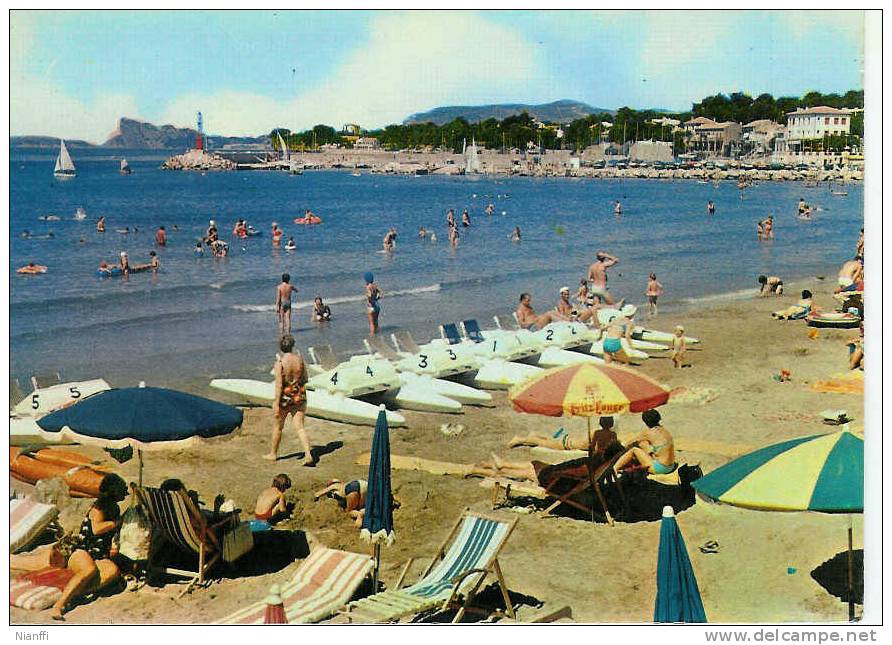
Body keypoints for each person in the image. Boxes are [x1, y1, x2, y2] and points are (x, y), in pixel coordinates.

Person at [11, 474, 128, 620]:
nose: (124, 493)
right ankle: (59, 605)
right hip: (81, 549)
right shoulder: (100, 507)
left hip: (98, 553)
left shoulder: (113, 507)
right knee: (89, 570)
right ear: (113, 492)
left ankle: (77, 591)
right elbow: (96, 529)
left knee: (112, 571)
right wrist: (116, 523)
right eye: (122, 491)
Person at [266, 334, 312, 464]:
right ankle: (308, 454)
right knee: (300, 427)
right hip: (298, 395)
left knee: (278, 427)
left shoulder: (280, 363)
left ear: (281, 348)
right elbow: (305, 379)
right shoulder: (300, 360)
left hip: (285, 397)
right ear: (292, 346)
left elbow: (279, 385)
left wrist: (276, 402)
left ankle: (273, 453)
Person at [613, 409, 676, 476]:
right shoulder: (665, 430)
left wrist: (621, 444)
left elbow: (629, 442)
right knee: (643, 443)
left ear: (645, 422)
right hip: (671, 466)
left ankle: (614, 468)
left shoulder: (648, 432)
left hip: (660, 468)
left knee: (634, 450)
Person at [508, 416, 620, 452]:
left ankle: (534, 435)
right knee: (542, 443)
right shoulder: (611, 434)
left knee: (549, 440)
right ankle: (519, 439)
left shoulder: (596, 432)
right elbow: (594, 446)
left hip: (568, 440)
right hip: (567, 444)